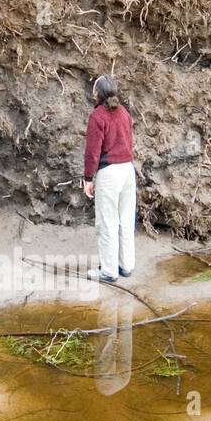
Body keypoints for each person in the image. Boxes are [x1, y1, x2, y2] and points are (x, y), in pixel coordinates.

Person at [81, 74, 136, 281]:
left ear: (97, 93)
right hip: (128, 171)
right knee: (126, 219)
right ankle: (126, 265)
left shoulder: (97, 116)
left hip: (110, 172)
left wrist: (88, 179)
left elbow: (92, 152)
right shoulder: (124, 112)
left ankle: (109, 271)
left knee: (107, 222)